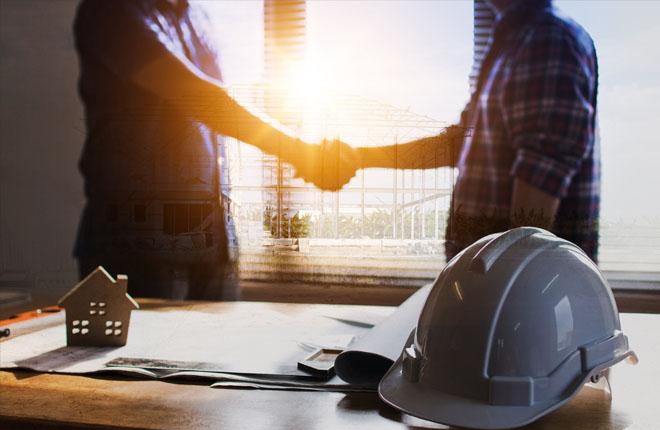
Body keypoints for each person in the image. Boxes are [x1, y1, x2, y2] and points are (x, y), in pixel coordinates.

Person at [73, 0, 357, 300]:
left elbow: (213, 114)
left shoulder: (196, 16)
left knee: (218, 345)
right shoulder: (112, 10)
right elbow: (202, 98)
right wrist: (302, 152)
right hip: (137, 245)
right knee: (145, 348)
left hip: (213, 241)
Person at [357, 0, 600, 262]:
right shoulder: (512, 45)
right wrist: (358, 157)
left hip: (512, 295)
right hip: (494, 290)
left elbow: (539, 182)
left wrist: (496, 291)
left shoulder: (547, 41)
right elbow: (456, 145)